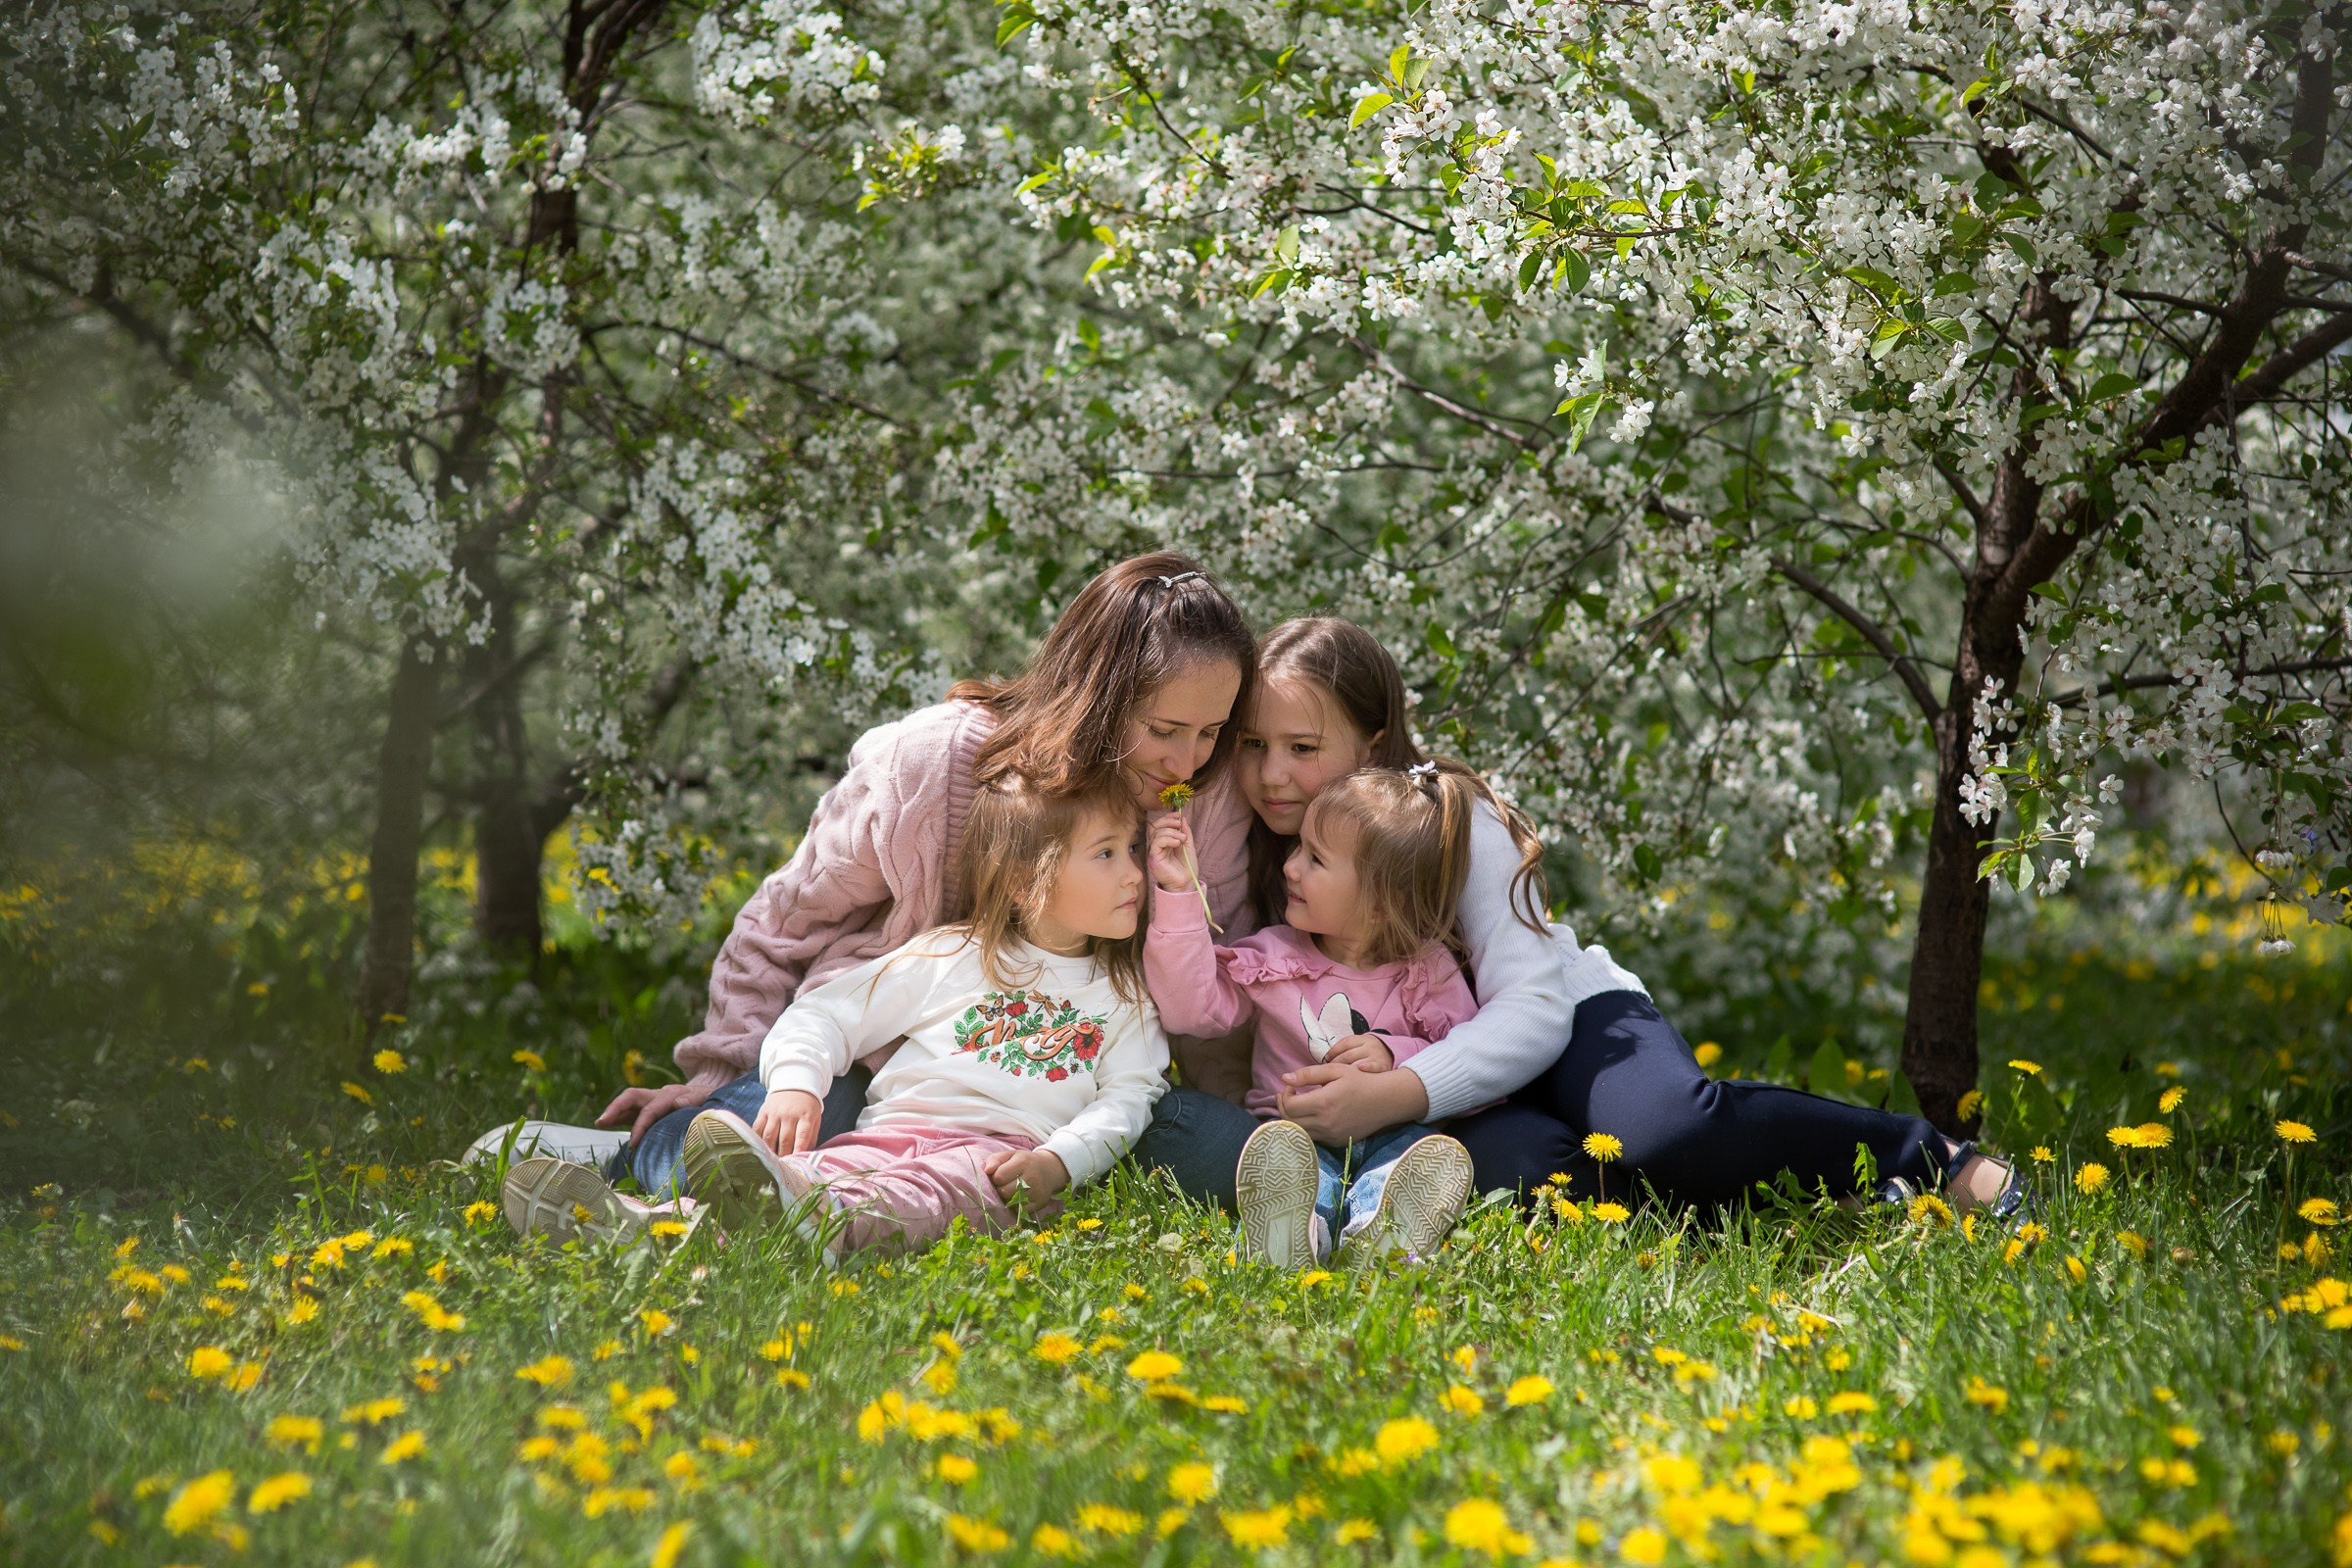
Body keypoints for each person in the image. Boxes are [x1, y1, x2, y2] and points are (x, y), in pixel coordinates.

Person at [1128, 616, 2025, 1217]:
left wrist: (1396, 1090)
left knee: (1667, 1131)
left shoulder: (1446, 816)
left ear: (1371, 741)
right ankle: (1726, 1208)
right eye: (1252, 747)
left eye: (1302, 749)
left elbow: (1531, 1008)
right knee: (1536, 1177)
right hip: (1435, 1087)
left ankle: (1929, 1157)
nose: (1272, 775)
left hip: (1560, 1022)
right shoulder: (1255, 834)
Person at [481, 553, 1257, 1237]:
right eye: (1165, 728)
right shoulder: (936, 764)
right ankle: (643, 1167)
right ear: (1100, 692)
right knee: (781, 1134)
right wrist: (726, 1071)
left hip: (1063, 1088)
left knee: (1218, 1145)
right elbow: (787, 918)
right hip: (882, 1057)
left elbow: (1210, 986)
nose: (1188, 758)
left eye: (1212, 731)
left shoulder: (1199, 799)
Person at [676, 770, 1167, 1258]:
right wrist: (795, 1083)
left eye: (1132, 848)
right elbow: (828, 1013)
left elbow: (1129, 1097)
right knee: (822, 1171)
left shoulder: (1125, 996)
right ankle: (667, 1228)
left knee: (931, 1196)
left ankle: (816, 1221)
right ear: (1023, 880)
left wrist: (1059, 1162)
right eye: (1105, 853)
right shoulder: (950, 954)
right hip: (886, 1134)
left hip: (999, 1162)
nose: (1134, 873)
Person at [1146, 762, 1497, 1266]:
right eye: (1299, 850)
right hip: (1290, 1130)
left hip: (1394, 1129)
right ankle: (1297, 1231)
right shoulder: (1275, 958)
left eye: (1315, 859)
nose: (1290, 866)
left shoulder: (1428, 971)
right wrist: (1180, 893)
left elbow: (1467, 1060)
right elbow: (1192, 1010)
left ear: (1381, 902)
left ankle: (1386, 1234)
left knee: (1409, 1158)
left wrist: (1395, 1053)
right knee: (1298, 1171)